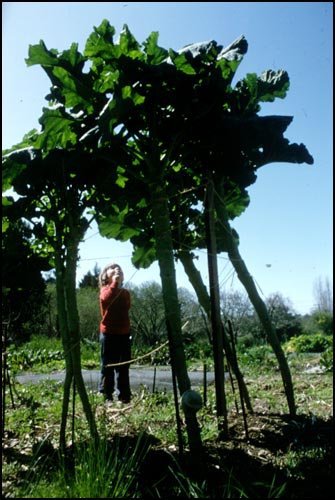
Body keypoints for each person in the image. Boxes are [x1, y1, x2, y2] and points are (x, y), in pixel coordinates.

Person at [98, 263, 132, 404]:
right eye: (112, 268)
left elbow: (126, 306)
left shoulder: (125, 293)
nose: (117, 269)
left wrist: (117, 285)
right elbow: (107, 299)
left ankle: (124, 396)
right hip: (108, 334)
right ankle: (106, 395)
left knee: (123, 366)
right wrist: (114, 284)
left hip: (124, 333)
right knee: (108, 366)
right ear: (105, 275)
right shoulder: (105, 290)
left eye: (120, 268)